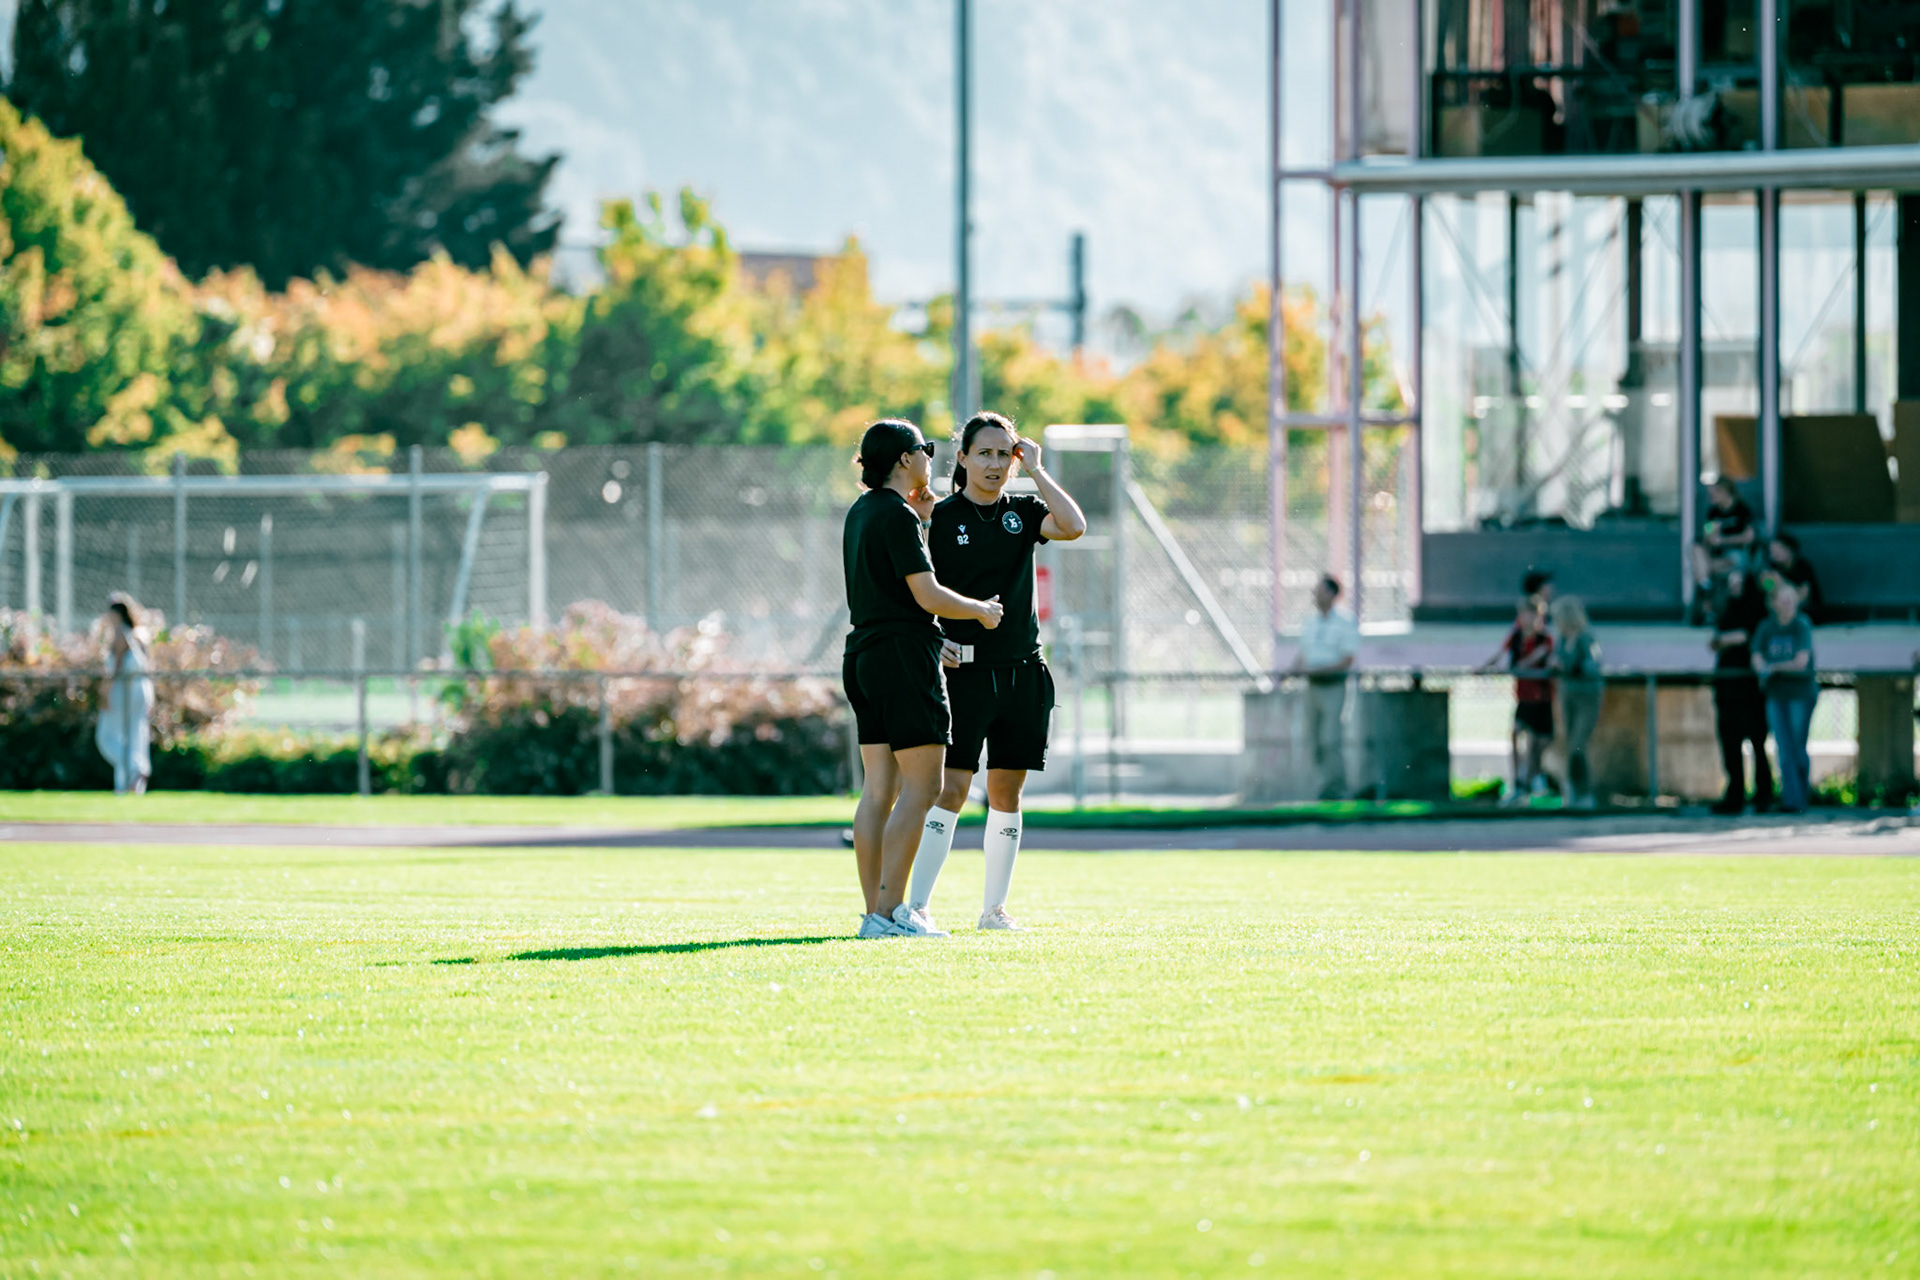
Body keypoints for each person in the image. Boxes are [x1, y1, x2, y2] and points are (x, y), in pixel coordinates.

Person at [906, 412, 1087, 932]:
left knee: (1006, 792)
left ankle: (994, 911)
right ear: (961, 458)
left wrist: (1037, 469)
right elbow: (910, 587)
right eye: (983, 453)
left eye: (1003, 453)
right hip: (963, 673)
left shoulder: (1026, 511)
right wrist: (932, 637)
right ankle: (915, 906)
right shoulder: (936, 515)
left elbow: (1073, 525)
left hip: (1023, 672)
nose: (994, 463)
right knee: (952, 789)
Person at [842, 419, 1004, 939]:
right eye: (926, 450)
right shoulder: (895, 515)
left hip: (865, 655)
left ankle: (874, 913)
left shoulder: (863, 512)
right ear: (906, 459)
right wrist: (980, 610)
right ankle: (892, 913)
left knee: (879, 788)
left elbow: (891, 590)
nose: (931, 458)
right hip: (901, 659)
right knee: (925, 784)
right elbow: (926, 594)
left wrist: (925, 519)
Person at [1707, 565, 1775, 815]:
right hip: (1727, 688)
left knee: (1757, 743)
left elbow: (1747, 635)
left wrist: (1724, 639)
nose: (1734, 586)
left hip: (1750, 690)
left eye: (1738, 582)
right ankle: (1734, 795)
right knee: (1730, 743)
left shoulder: (1756, 609)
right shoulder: (1728, 609)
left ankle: (1763, 795)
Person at [1290, 574, 1361, 801]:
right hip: (1312, 687)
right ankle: (1322, 787)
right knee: (1314, 740)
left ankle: (1338, 788)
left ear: (1332, 593)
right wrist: (1293, 671)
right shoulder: (1310, 622)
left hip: (1333, 687)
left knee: (1331, 739)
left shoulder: (1345, 622)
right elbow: (1303, 654)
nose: (1316, 595)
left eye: (1320, 590)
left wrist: (1321, 670)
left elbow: (1348, 659)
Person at [1751, 580, 1817, 814]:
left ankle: (1801, 796)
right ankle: (1791, 800)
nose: (1787, 604)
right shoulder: (1767, 627)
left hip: (1800, 693)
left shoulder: (1801, 625)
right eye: (1783, 599)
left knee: (1797, 747)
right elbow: (1757, 657)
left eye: (1791, 599)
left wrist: (1774, 668)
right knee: (1783, 747)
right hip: (1776, 694)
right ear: (1775, 603)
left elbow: (1801, 662)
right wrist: (1763, 667)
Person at [1481, 596, 1554, 804]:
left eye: (1530, 614)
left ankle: (1531, 778)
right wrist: (1485, 668)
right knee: (1516, 733)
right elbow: (1500, 654)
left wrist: (1522, 665)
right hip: (1523, 697)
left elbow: (1539, 657)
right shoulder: (1516, 637)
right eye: (1522, 614)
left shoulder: (1544, 639)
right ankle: (1518, 781)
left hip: (1542, 698)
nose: (1525, 618)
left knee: (1538, 742)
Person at [95, 593, 155, 796]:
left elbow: (117, 667)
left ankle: (134, 770)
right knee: (135, 735)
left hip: (125, 691)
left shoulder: (121, 633)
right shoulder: (141, 634)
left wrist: (105, 692)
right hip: (142, 690)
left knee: (106, 737)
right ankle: (128, 785)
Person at [1550, 596, 1602, 809]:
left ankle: (1585, 792)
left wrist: (1572, 667)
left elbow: (1593, 664)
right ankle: (1572, 790)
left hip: (1587, 696)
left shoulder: (1586, 638)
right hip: (1568, 695)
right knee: (1570, 743)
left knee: (1578, 744)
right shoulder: (1561, 640)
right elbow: (1557, 660)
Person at [1691, 477, 1758, 615]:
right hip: (1716, 556)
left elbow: (1749, 537)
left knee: (1730, 563)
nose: (1712, 497)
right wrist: (1711, 535)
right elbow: (1707, 536)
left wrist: (1723, 540)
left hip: (1736, 554)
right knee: (1695, 549)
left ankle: (1705, 585)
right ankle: (1705, 584)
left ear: (1725, 492)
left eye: (1714, 493)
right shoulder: (1713, 512)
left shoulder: (1742, 510)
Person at [1763, 531, 1822, 621]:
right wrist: (1770, 582)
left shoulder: (1802, 566)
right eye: (1772, 552)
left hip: (1804, 609)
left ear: (1789, 550)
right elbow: (1768, 589)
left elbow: (1804, 596)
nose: (1774, 555)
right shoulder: (1773, 567)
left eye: (1777, 550)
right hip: (1781, 608)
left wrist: (1783, 582)